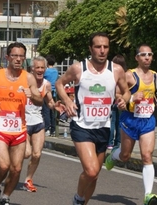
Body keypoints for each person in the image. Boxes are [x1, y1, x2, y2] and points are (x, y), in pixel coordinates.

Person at [55, 32, 130, 205]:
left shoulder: (116, 70)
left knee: (95, 176)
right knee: (90, 171)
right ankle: (78, 199)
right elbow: (59, 83)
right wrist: (67, 100)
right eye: (98, 47)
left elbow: (126, 92)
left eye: (106, 47)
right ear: (90, 49)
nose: (102, 51)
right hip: (82, 126)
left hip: (103, 127)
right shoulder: (78, 68)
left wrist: (122, 100)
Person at [0, 42, 43, 205]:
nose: (18, 59)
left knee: (16, 169)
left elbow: (40, 101)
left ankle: (6, 197)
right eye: (15, 55)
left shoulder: (28, 77)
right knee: (4, 165)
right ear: (7, 57)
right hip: (0, 127)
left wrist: (32, 95)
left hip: (19, 129)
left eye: (22, 56)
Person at [105, 45, 157, 205]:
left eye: (149, 54)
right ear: (137, 58)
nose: (147, 57)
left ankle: (148, 195)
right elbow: (117, 93)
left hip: (147, 120)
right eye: (143, 55)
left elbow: (151, 95)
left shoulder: (156, 76)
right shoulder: (129, 75)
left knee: (147, 156)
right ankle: (113, 155)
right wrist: (131, 98)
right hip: (130, 119)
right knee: (125, 155)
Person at [23, 56, 58, 192]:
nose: (40, 70)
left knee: (36, 154)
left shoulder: (46, 84)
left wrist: (55, 106)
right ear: (32, 68)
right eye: (37, 67)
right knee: (27, 153)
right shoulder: (24, 81)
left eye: (42, 68)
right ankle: (13, 162)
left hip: (38, 121)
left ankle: (28, 179)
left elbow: (49, 102)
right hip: (23, 122)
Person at [107, 54, 127, 150]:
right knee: (119, 123)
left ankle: (110, 142)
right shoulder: (125, 75)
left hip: (113, 102)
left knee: (112, 123)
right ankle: (118, 143)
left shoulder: (111, 74)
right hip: (122, 102)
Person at [43, 55, 58, 136]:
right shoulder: (56, 71)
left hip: (46, 91)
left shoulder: (46, 71)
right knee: (53, 111)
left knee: (46, 111)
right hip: (54, 92)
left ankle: (47, 128)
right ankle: (53, 128)